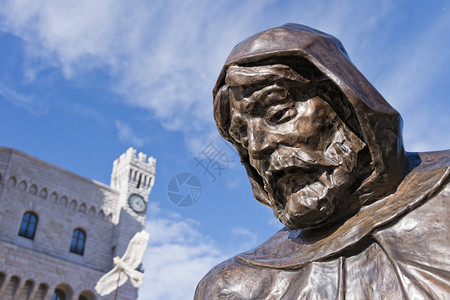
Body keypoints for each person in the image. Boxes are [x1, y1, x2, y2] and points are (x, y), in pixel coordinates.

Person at [194, 24, 449, 299]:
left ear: (346, 102)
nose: (257, 148)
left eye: (279, 113)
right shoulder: (234, 288)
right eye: (242, 139)